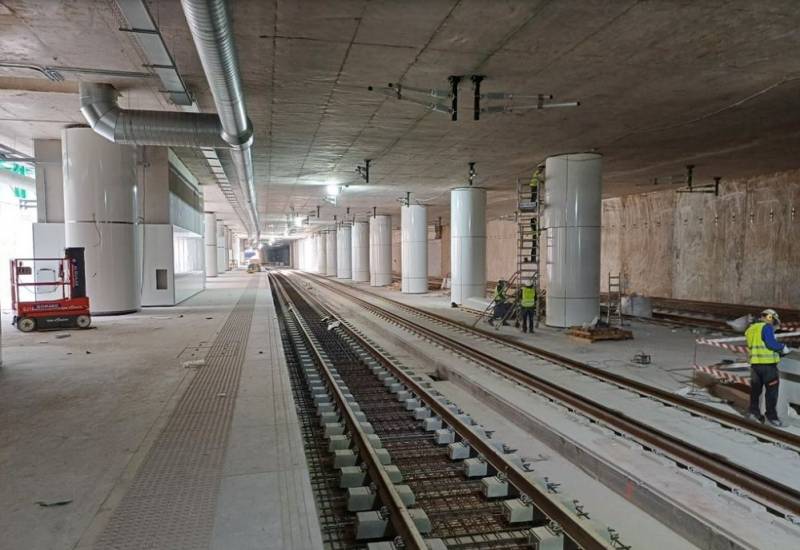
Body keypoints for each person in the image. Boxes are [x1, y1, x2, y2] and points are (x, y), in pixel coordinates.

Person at [745, 309, 792, 426]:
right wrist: (782, 347)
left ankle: (753, 412)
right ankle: (771, 416)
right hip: (768, 366)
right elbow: (770, 343)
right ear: (770, 317)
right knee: (771, 392)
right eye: (773, 320)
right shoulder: (766, 327)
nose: (773, 324)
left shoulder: (751, 329)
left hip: (755, 366)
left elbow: (753, 345)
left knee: (755, 391)